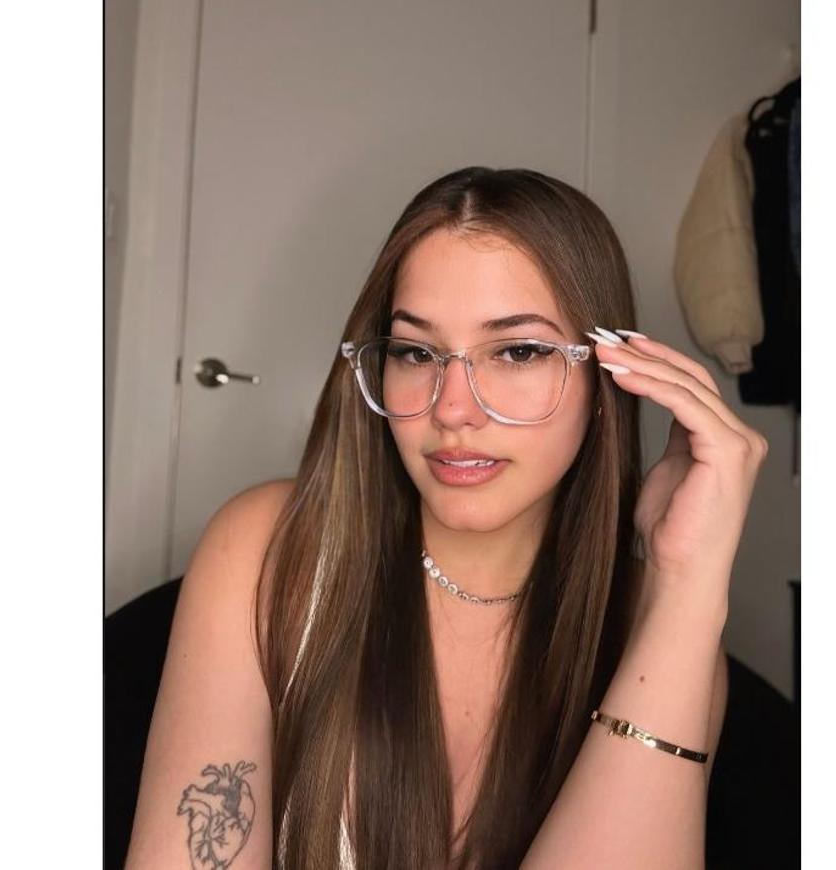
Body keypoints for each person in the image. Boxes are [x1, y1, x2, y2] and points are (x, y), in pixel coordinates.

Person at [123, 166, 768, 870]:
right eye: (415, 352)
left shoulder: (668, 630)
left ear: (608, 379)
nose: (452, 409)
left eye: (518, 351)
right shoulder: (266, 552)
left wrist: (687, 585)